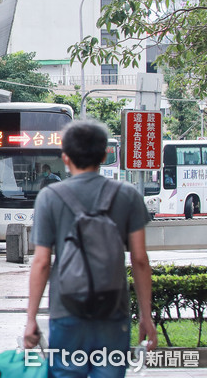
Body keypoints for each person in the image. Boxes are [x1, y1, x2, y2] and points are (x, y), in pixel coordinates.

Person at [24, 120, 157, 377]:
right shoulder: (128, 195)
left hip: (66, 310)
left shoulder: (49, 198)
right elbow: (140, 259)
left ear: (65, 157)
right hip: (113, 312)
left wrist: (31, 319)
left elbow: (41, 263)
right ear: (105, 154)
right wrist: (146, 315)